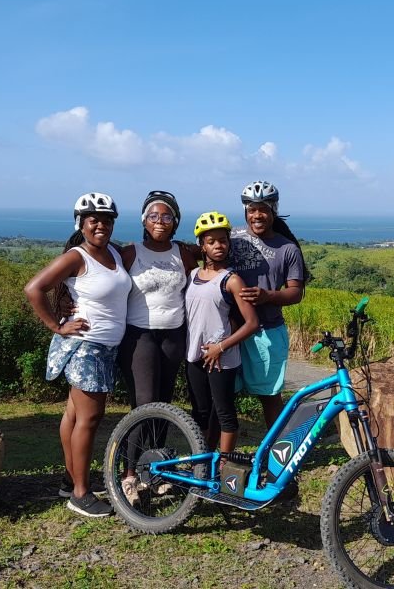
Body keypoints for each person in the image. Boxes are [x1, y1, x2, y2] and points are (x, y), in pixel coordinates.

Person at [24, 193, 131, 518]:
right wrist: (57, 326)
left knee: (73, 416)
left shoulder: (114, 253)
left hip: (105, 347)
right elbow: (34, 289)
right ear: (81, 224)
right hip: (87, 347)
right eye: (94, 220)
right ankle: (81, 494)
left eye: (107, 220)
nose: (101, 225)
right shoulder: (77, 256)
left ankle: (70, 481)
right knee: (89, 418)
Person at [117, 190, 197, 505]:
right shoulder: (130, 253)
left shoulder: (184, 254)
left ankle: (155, 470)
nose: (159, 221)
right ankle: (129, 475)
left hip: (173, 335)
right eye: (153, 216)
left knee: (164, 404)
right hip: (139, 335)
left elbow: (205, 274)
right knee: (144, 404)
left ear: (175, 221)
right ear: (144, 221)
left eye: (166, 216)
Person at [230, 181, 311, 428]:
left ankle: (277, 447)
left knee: (270, 396)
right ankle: (218, 448)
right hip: (231, 329)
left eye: (263, 209)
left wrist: (268, 296)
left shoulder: (287, 249)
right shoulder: (232, 238)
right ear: (245, 211)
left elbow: (296, 292)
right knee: (223, 395)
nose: (257, 215)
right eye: (252, 209)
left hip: (268, 331)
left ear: (274, 210)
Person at [185, 211, 259, 459]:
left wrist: (221, 347)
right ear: (202, 245)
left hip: (221, 358)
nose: (218, 246)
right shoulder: (192, 276)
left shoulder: (231, 280)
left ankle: (224, 464)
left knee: (225, 414)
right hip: (195, 355)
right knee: (200, 413)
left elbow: (252, 323)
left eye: (223, 240)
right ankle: (202, 461)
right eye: (211, 241)